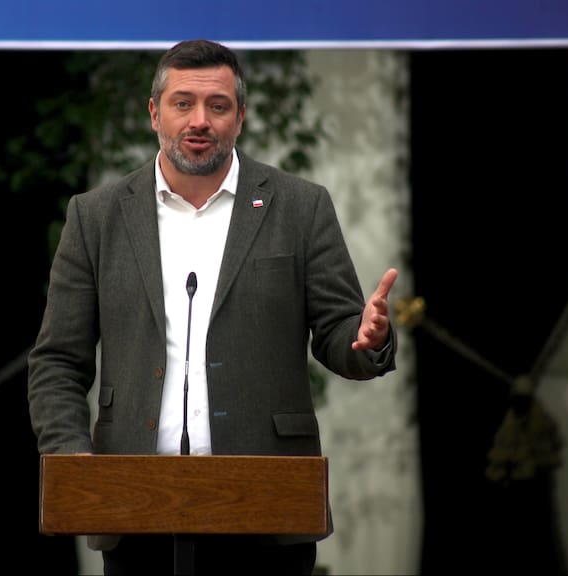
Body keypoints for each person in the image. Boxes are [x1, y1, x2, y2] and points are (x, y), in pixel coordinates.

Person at [27, 39, 398, 575]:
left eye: (218, 106)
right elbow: (58, 361)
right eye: (183, 103)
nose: (199, 120)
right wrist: (72, 458)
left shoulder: (299, 206)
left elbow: (342, 337)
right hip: (134, 506)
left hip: (267, 505)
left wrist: (369, 338)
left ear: (240, 117)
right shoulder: (97, 217)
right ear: (154, 112)